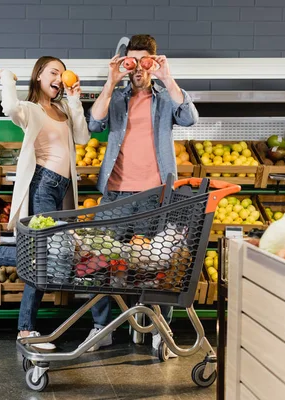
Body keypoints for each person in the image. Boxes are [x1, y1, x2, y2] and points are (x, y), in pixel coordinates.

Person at [0, 56, 100, 351]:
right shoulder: (31, 110)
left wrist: (74, 99)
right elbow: (9, 107)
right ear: (38, 77)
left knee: (46, 257)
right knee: (45, 257)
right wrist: (7, 78)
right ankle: (25, 329)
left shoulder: (62, 109)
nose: (60, 78)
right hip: (43, 186)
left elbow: (83, 137)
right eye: (53, 72)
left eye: (62, 73)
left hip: (62, 190)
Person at [85, 34, 199, 355]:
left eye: (144, 61)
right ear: (125, 63)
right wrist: (110, 81)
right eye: (131, 62)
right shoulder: (117, 96)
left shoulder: (164, 96)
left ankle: (159, 330)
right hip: (116, 195)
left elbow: (190, 118)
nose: (137, 68)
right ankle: (102, 328)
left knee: (158, 265)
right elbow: (94, 124)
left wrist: (167, 77)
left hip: (156, 194)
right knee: (100, 261)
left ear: (153, 62)